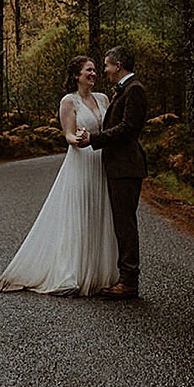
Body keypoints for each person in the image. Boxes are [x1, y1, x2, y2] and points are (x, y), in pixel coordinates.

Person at [0, 56, 120, 296]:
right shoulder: (68, 101)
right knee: (79, 213)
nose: (93, 74)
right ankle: (71, 274)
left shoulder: (103, 99)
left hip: (100, 161)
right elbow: (67, 135)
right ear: (77, 75)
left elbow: (107, 130)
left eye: (94, 70)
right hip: (81, 162)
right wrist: (77, 139)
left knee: (99, 213)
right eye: (88, 70)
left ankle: (98, 273)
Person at [74, 45, 146, 299]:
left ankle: (129, 281)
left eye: (106, 65)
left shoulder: (134, 90)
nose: (104, 70)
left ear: (118, 65)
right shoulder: (125, 90)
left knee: (125, 223)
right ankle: (126, 277)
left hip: (126, 166)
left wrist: (94, 139)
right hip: (119, 166)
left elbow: (128, 129)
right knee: (121, 221)